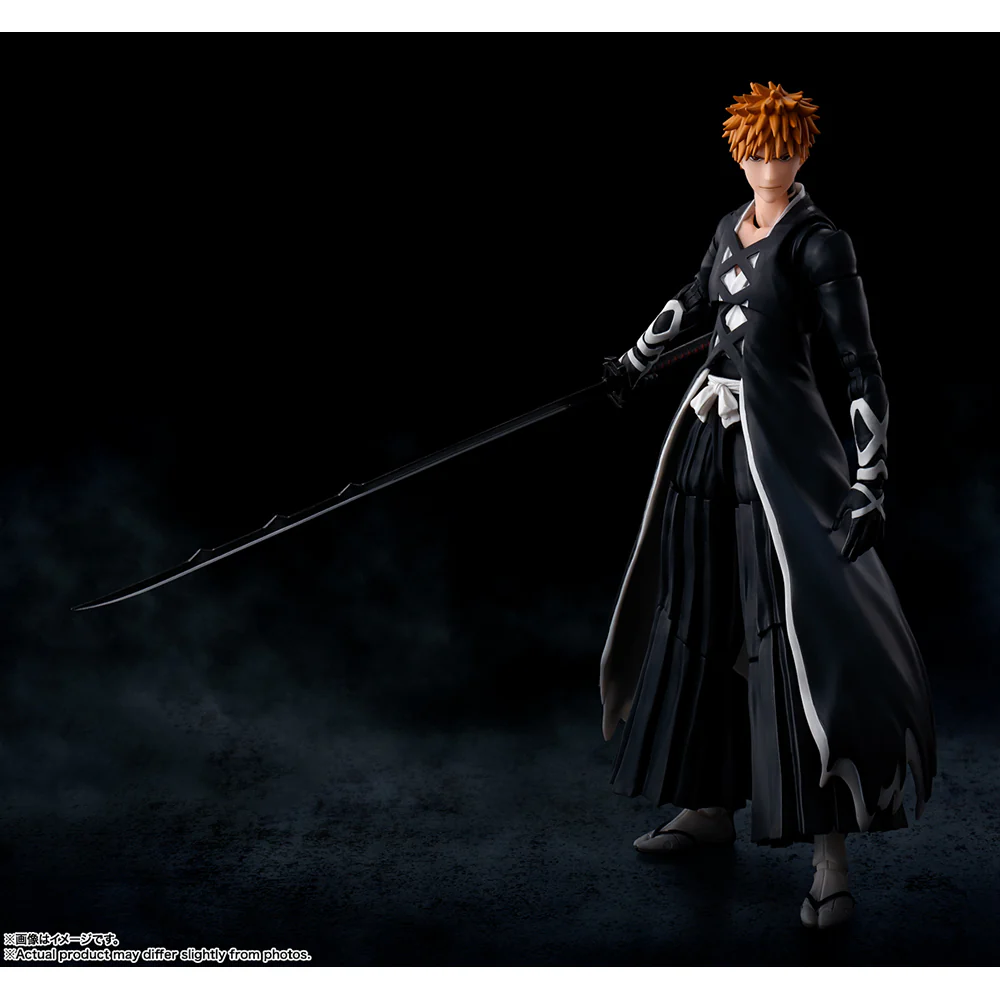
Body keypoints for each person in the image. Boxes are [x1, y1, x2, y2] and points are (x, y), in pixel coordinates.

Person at [599, 81, 937, 930]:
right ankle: (708, 804)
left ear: (803, 150)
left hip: (780, 456)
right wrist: (636, 360)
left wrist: (870, 477)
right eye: (754, 149)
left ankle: (829, 860)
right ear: (737, 153)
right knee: (699, 620)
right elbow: (694, 298)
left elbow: (860, 365)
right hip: (709, 443)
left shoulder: (820, 243)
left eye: (780, 148)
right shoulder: (729, 227)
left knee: (791, 638)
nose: (767, 162)